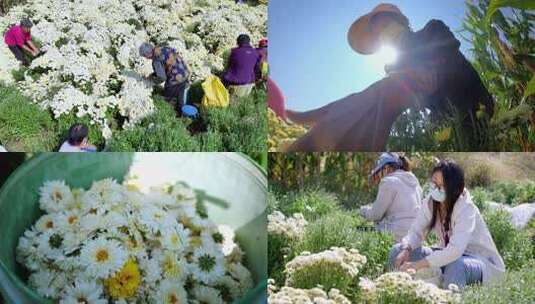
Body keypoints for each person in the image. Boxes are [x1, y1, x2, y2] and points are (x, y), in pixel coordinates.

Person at [285, 3, 494, 152]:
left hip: (475, 107)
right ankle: (350, 141)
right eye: (378, 34)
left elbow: (447, 54)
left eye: (385, 27)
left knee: (393, 85)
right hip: (448, 125)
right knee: (386, 94)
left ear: (401, 23)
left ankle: (324, 118)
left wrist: (411, 60)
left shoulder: (433, 28)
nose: (383, 34)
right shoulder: (396, 65)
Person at [388, 160, 505, 289]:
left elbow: (455, 250)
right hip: (447, 255)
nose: (435, 189)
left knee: (456, 265)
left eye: (440, 186)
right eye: (433, 183)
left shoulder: (466, 208)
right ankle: (394, 289)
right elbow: (416, 230)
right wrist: (407, 249)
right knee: (397, 251)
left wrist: (418, 265)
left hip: (476, 260)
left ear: (453, 189)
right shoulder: (431, 203)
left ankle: (448, 297)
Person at [359, 153, 422, 241]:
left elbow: (375, 215)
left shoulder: (388, 181)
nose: (379, 176)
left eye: (379, 171)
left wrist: (363, 211)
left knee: (358, 231)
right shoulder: (416, 183)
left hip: (395, 234)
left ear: (386, 168)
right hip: (415, 237)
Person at [139, 43, 190, 116]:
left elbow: (162, 77)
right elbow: (165, 64)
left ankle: (171, 116)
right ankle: (182, 116)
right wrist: (154, 74)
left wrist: (152, 82)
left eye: (144, 56)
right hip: (184, 72)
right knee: (180, 98)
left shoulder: (156, 60)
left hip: (175, 79)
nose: (146, 58)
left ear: (147, 54)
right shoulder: (163, 47)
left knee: (168, 99)